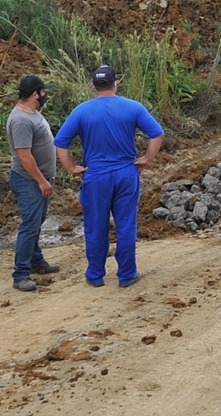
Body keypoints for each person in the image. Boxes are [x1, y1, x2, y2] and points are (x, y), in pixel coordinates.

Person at [55, 65, 165, 288]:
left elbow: (60, 142)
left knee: (96, 226)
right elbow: (157, 133)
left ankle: (95, 275)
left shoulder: (82, 111)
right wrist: (146, 158)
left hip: (96, 176)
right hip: (126, 173)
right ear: (116, 83)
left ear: (93, 85)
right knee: (125, 225)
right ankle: (126, 274)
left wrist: (71, 168)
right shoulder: (133, 107)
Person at [8, 74, 59, 292]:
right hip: (29, 181)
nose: (45, 95)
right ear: (35, 94)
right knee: (29, 225)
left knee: (37, 221)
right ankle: (20, 275)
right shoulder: (21, 120)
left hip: (40, 179)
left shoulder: (32, 113)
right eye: (43, 92)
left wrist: (49, 175)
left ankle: (36, 261)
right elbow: (24, 156)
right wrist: (41, 180)